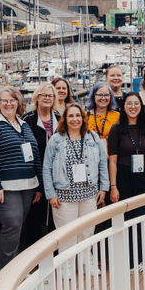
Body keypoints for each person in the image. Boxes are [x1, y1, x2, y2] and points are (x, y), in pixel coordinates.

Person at [0, 88, 41, 270]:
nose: (8, 104)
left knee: (18, 226)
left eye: (12, 100)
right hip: (3, 186)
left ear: (18, 103)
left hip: (28, 185)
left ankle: (15, 268)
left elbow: (34, 154)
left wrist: (39, 186)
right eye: (4, 101)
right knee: (12, 224)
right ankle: (4, 271)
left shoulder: (24, 125)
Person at [42, 103, 108, 251]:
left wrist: (104, 188)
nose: (75, 119)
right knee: (67, 234)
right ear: (65, 119)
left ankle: (86, 263)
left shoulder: (92, 137)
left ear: (83, 118)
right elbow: (46, 168)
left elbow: (103, 162)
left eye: (78, 115)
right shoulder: (56, 139)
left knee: (87, 232)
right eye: (70, 116)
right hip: (64, 195)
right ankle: (67, 269)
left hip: (89, 194)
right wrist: (51, 194)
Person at [108, 92, 145, 273]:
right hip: (123, 177)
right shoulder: (116, 129)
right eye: (129, 104)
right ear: (123, 107)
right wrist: (113, 186)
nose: (132, 107)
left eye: (136, 103)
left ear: (141, 106)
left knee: (144, 219)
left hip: (144, 176)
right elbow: (112, 160)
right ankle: (128, 262)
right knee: (127, 219)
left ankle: (142, 260)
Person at [22, 83, 62, 247]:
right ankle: (35, 253)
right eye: (43, 95)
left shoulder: (60, 118)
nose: (47, 98)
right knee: (35, 215)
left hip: (57, 174)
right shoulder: (28, 119)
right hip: (35, 173)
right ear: (37, 97)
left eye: (50, 96)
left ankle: (54, 252)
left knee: (55, 213)